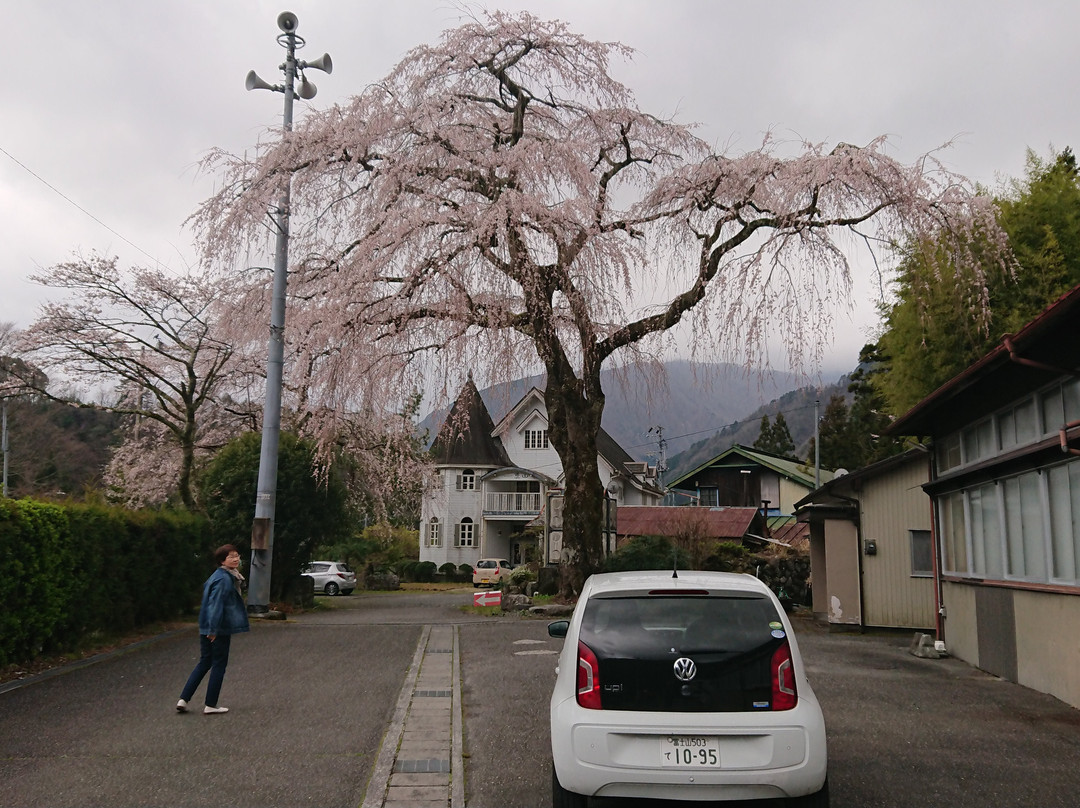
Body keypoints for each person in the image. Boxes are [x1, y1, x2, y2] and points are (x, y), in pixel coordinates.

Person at [176, 544, 250, 715]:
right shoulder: (224, 579)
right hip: (218, 628)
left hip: (207, 626)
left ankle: (183, 699)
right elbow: (216, 605)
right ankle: (210, 704)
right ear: (222, 559)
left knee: (205, 662)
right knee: (219, 664)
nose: (236, 559)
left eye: (237, 555)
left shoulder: (218, 576)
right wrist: (214, 629)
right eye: (231, 556)